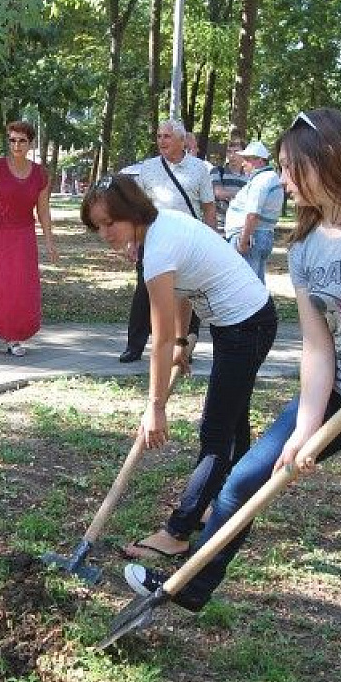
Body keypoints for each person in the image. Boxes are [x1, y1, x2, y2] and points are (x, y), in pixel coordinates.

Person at [124, 108, 341, 682]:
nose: (283, 181)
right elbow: (318, 351)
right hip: (338, 391)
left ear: (327, 159)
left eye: (289, 168)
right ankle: (190, 586)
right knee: (244, 481)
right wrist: (306, 429)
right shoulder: (305, 250)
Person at [81, 175, 278, 561]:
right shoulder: (157, 233)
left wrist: (155, 406)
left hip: (245, 326)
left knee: (216, 433)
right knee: (232, 428)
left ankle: (178, 531)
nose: (105, 233)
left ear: (132, 213)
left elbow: (161, 336)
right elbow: (184, 289)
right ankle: (224, 504)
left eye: (110, 223)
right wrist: (186, 342)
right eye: (98, 226)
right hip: (238, 324)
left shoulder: (157, 249)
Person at [118, 119, 218, 363]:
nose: (161, 141)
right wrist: (133, 242)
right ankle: (135, 346)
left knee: (189, 292)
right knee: (145, 291)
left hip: (190, 241)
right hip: (154, 240)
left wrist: (212, 241)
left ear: (182, 141)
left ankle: (183, 346)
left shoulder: (199, 169)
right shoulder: (149, 168)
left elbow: (209, 208)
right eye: (159, 136)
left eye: (167, 137)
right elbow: (137, 209)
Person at [0, 120, 59, 356]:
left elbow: (43, 210)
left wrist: (49, 241)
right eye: (12, 140)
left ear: (30, 144)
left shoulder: (39, 174)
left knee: (18, 288)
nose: (16, 145)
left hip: (22, 238)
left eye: (22, 141)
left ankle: (13, 336)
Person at [223, 140, 285, 281]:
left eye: (247, 160)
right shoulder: (269, 178)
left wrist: (243, 240)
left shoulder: (261, 181)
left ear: (259, 161)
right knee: (255, 283)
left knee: (244, 285)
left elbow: (252, 214)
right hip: (259, 235)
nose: (243, 163)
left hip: (251, 237)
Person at [212, 140, 248, 233]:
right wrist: (245, 195)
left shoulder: (249, 175)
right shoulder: (217, 171)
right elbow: (219, 193)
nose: (232, 155)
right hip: (220, 225)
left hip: (241, 227)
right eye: (229, 152)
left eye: (236, 152)